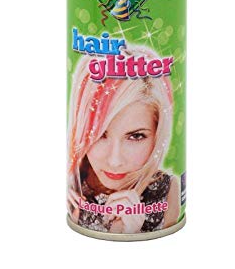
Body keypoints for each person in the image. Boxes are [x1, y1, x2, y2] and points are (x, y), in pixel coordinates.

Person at [67, 45, 180, 233]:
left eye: (136, 136)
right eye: (100, 134)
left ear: (157, 135)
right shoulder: (72, 183)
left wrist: (131, 232)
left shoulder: (167, 191)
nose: (115, 161)